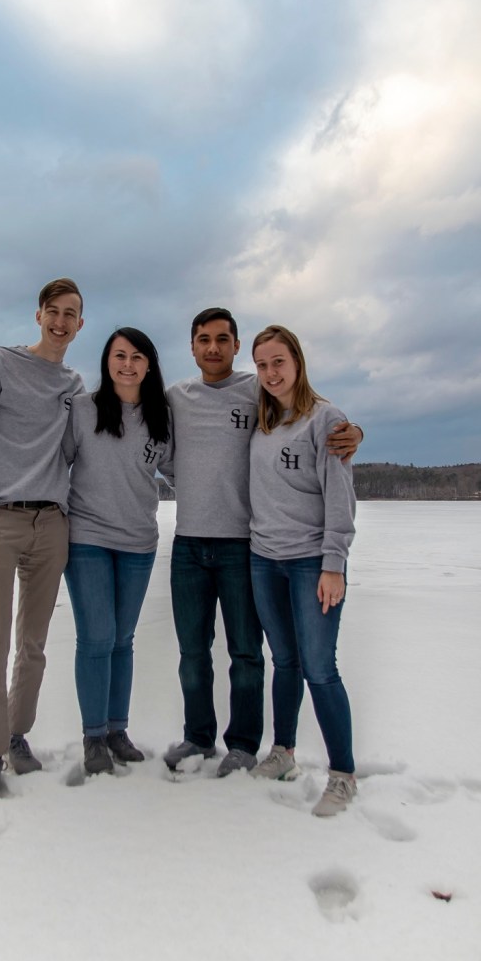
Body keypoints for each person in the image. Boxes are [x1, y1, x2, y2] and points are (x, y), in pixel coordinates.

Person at [163, 308, 362, 778]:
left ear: (236, 348)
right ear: (192, 347)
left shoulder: (258, 391)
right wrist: (190, 484)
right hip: (201, 545)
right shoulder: (176, 397)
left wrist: (353, 432)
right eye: (203, 339)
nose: (213, 347)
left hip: (244, 547)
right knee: (195, 654)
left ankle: (247, 744)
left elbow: (315, 416)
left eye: (223, 339)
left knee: (250, 655)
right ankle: (200, 737)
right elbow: (156, 446)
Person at [0, 277, 85, 799]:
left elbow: (81, 450)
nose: (60, 321)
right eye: (53, 311)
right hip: (1, 521)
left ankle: (16, 736)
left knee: (32, 646)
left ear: (81, 324)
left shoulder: (75, 386)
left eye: (70, 314)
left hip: (51, 525)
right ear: (39, 316)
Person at [248, 325, 357, 817]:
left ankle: (342, 775)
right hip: (263, 559)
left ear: (297, 362)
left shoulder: (326, 420)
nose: (271, 373)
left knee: (319, 667)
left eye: (278, 362)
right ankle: (284, 753)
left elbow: (340, 498)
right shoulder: (262, 420)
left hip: (311, 562)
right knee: (285, 662)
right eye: (263, 364)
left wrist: (333, 564)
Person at [63, 328, 173, 775]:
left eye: (137, 357)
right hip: (87, 538)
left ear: (150, 364)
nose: (127, 364)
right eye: (119, 355)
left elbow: (184, 469)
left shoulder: (162, 416)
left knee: (122, 641)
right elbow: (57, 462)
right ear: (107, 361)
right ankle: (92, 737)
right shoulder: (84, 409)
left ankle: (116, 730)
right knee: (96, 638)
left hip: (138, 543)